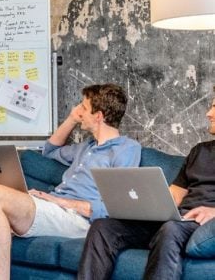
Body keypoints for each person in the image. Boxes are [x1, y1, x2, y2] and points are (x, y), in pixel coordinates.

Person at [0, 83, 141, 280]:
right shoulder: (85, 147)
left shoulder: (126, 149)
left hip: (76, 218)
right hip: (52, 207)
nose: (78, 110)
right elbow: (50, 151)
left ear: (98, 116)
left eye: (83, 107)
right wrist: (71, 119)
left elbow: (121, 205)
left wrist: (66, 203)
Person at [77, 98, 215, 280]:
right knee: (103, 227)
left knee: (170, 229)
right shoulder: (199, 151)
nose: (208, 113)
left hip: (202, 226)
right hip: (179, 219)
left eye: (214, 107)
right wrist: (147, 205)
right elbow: (175, 195)